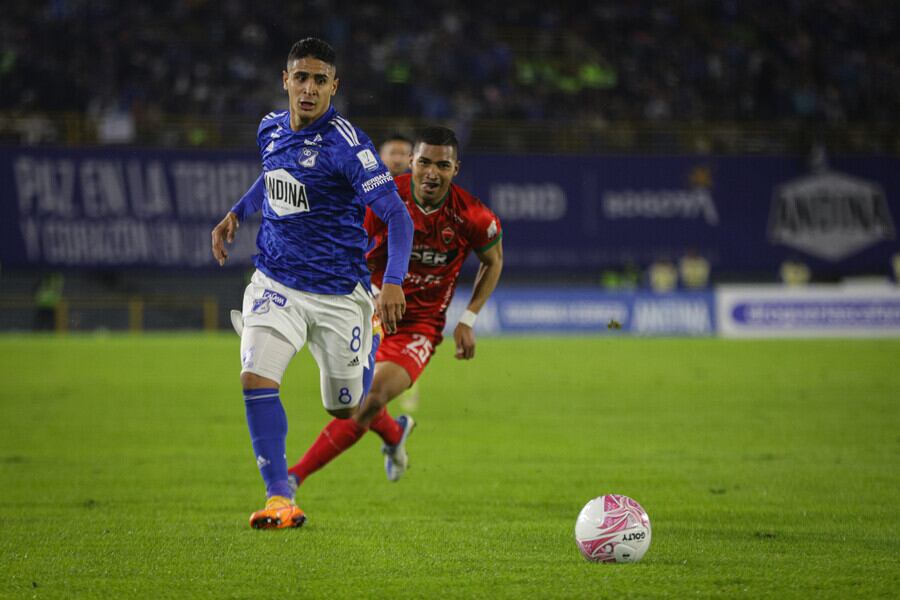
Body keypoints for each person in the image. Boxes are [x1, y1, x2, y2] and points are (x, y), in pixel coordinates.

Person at [210, 38, 414, 530]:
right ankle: (280, 498)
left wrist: (391, 283)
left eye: (319, 80)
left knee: (344, 406)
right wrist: (237, 212)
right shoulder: (270, 128)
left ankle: (393, 428)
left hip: (339, 295)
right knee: (256, 376)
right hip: (276, 282)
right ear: (285, 80)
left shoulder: (348, 146)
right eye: (300, 77)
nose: (308, 88)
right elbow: (273, 175)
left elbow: (398, 217)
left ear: (333, 87)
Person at [287, 125, 504, 490]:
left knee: (367, 400)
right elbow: (348, 242)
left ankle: (293, 479)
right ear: (411, 163)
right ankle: (394, 432)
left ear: (456, 169)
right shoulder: (384, 198)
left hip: (420, 324)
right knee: (350, 398)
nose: (431, 173)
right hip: (368, 311)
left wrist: (468, 318)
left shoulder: (473, 216)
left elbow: (493, 260)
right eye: (424, 163)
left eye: (442, 165)